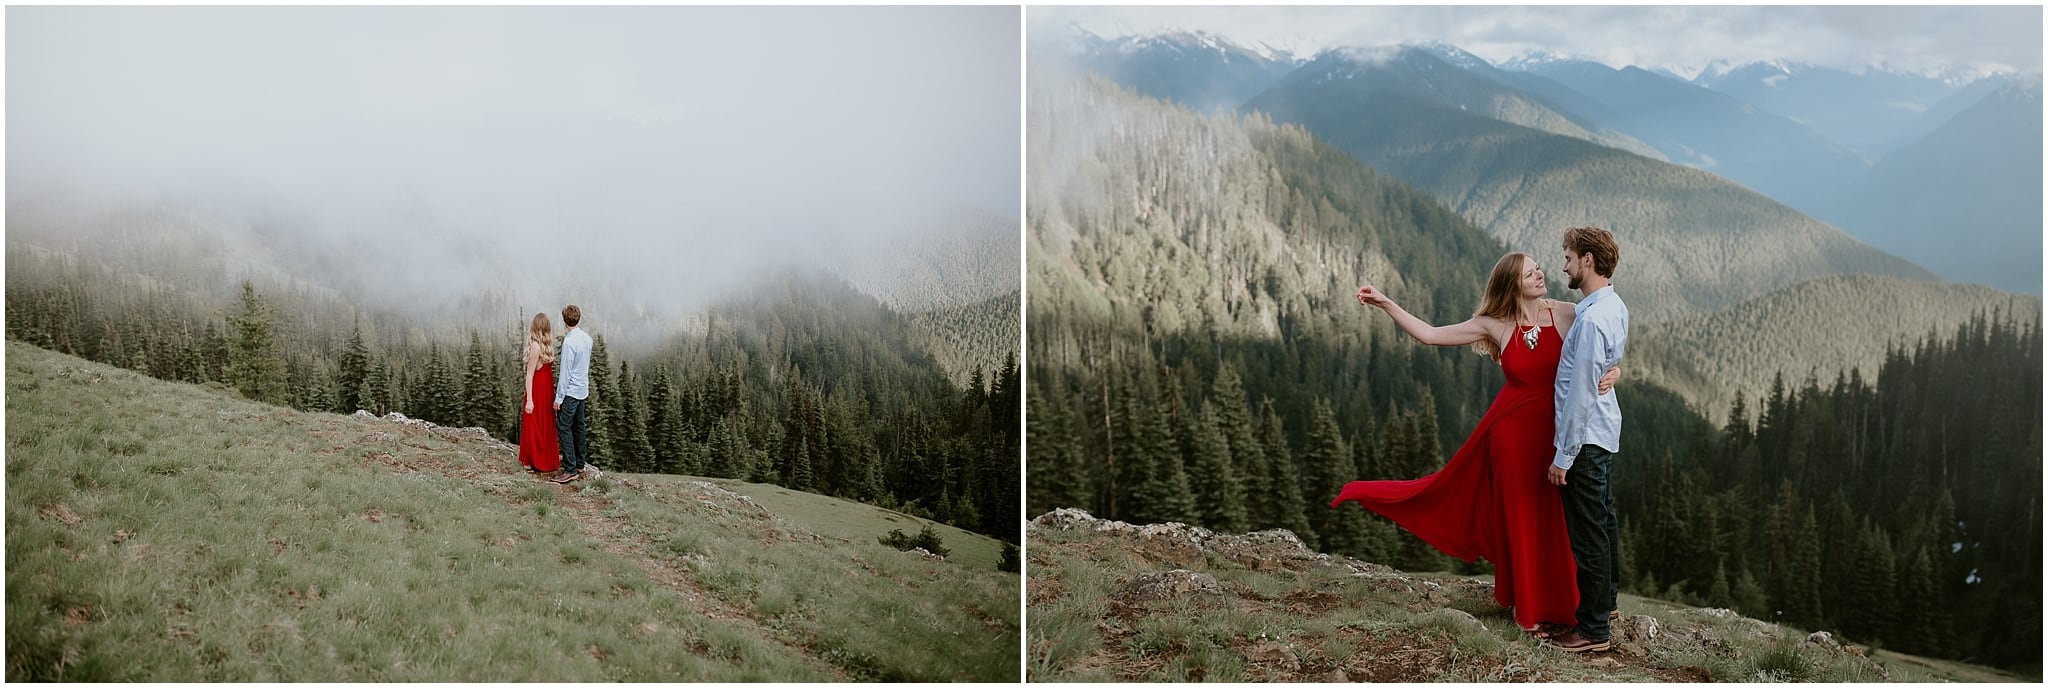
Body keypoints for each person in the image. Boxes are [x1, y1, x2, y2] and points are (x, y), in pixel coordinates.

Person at [1331, 251, 1617, 635]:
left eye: (1538, 269)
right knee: (1521, 516)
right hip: (1511, 437)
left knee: (1556, 518)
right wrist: (1386, 304)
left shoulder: (1567, 312)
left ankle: (1571, 604)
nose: (1540, 275)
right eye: (1530, 273)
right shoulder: (1494, 324)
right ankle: (1529, 610)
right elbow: (1431, 335)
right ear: (1512, 284)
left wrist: (1615, 369)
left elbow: (1605, 339)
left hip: (1554, 434)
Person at [1545, 226, 1630, 654]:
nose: (1564, 265)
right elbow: (1607, 364)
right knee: (1604, 521)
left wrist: (1564, 456)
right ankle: (1608, 605)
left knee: (1589, 532)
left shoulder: (1592, 320)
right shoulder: (1610, 305)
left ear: (1588, 261)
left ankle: (1593, 629)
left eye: (1568, 257)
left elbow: (1579, 395)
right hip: (1603, 433)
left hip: (1586, 439)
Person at [552, 304, 593, 483]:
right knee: (579, 427)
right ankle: (580, 465)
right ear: (579, 318)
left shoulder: (569, 342)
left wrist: (558, 398)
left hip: (570, 392)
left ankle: (569, 469)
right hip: (582, 390)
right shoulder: (587, 339)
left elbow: (565, 373)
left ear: (564, 320)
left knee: (563, 427)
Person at [518, 313, 562, 477]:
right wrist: (530, 399)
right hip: (536, 391)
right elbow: (529, 375)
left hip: (545, 391)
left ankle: (544, 460)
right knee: (535, 423)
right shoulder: (537, 347)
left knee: (543, 424)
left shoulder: (543, 346)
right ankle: (532, 459)